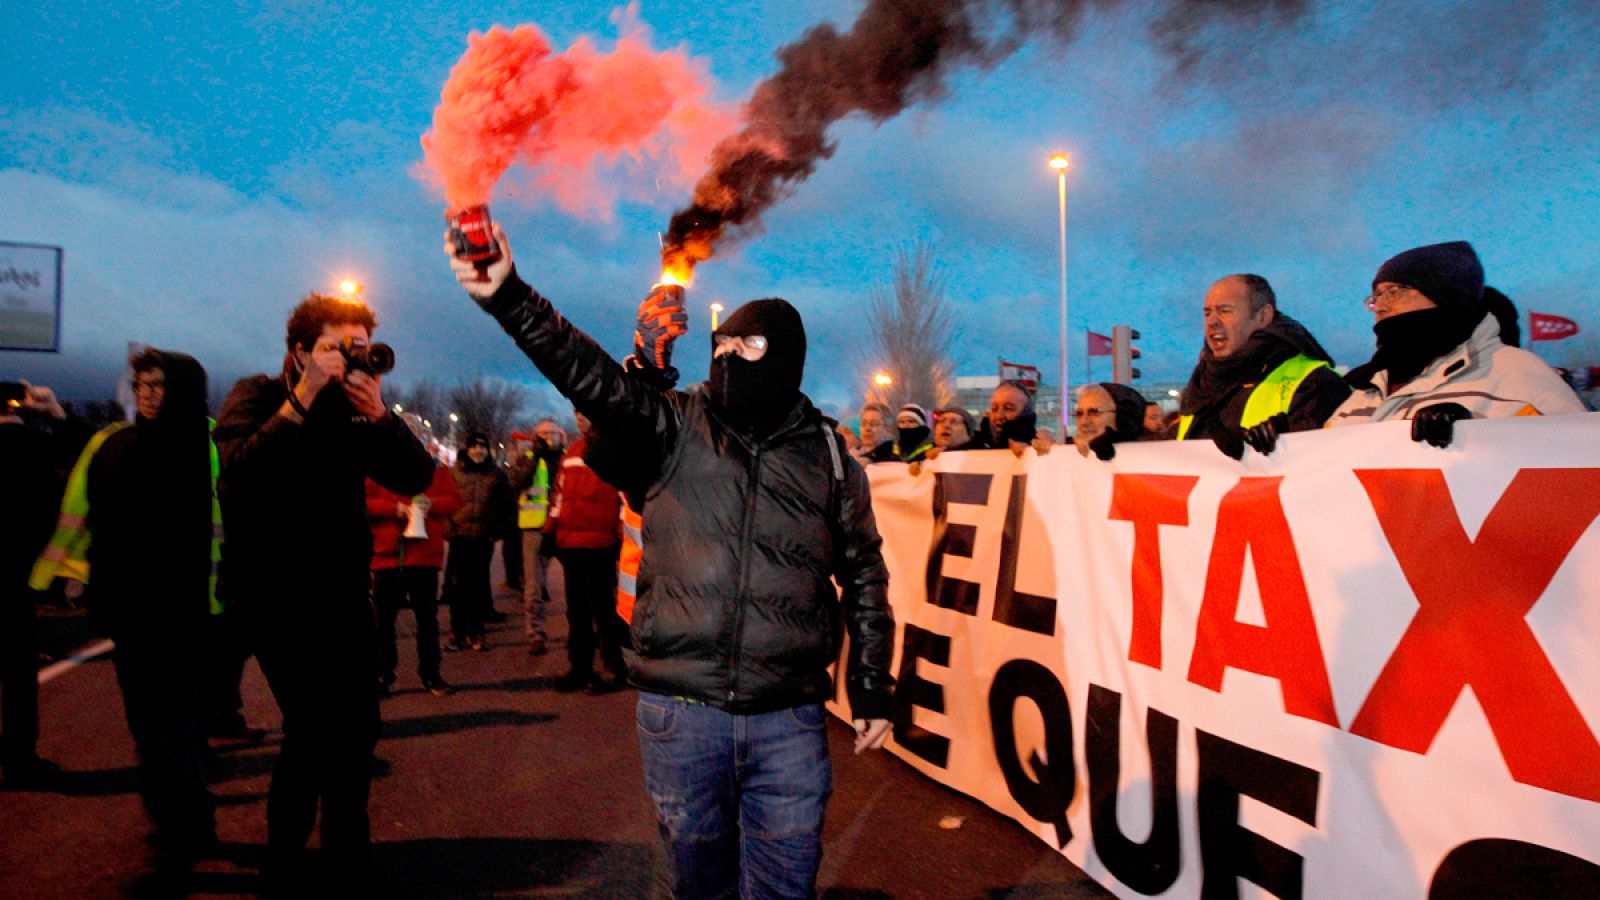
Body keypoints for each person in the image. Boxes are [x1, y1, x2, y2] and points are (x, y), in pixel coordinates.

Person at [448, 225, 895, 900]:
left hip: (789, 719)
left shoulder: (830, 456)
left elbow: (864, 574)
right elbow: (586, 377)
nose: (725, 355)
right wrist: (507, 295)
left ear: (787, 357)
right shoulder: (677, 423)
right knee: (694, 884)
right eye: (720, 345)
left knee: (785, 886)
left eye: (745, 345)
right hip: (683, 713)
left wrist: (871, 685)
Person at [214, 292, 433, 893]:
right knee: (312, 732)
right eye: (338, 348)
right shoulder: (256, 395)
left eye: (360, 349)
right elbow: (239, 479)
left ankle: (347, 865)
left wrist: (381, 416)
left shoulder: (355, 410)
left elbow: (416, 476)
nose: (351, 360)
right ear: (299, 352)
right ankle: (283, 866)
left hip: (342, 596)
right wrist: (303, 398)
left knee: (357, 735)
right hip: (273, 597)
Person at [56, 350, 221, 878]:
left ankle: (179, 830)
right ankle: (186, 822)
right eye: (143, 383)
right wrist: (73, 575)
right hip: (129, 611)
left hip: (190, 610)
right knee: (150, 726)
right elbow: (80, 514)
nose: (149, 393)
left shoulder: (213, 446)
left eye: (162, 385)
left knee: (174, 725)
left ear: (187, 391)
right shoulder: (112, 444)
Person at [1326, 241, 1585, 442]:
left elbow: (1576, 461)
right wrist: (1289, 449)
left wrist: (1477, 434)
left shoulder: (1517, 374)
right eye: (1375, 297)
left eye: (1394, 293)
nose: (1379, 307)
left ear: (1443, 295)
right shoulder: (1365, 390)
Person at [1177, 273, 1350, 457]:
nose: (1212, 322)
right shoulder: (1200, 384)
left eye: (1225, 311)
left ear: (1263, 316)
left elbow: (1332, 465)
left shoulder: (1315, 382)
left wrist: (1288, 438)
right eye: (1207, 313)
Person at [2, 381, 75, 788]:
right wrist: (54, 410)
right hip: (17, 575)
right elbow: (79, 457)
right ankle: (18, 761)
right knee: (16, 677)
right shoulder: (30, 445)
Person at [545, 410, 627, 693]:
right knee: (577, 612)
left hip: (600, 544)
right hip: (572, 543)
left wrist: (620, 535)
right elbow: (560, 493)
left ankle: (613, 667)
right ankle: (580, 667)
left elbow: (623, 496)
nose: (580, 418)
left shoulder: (614, 448)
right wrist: (550, 528)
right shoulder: (573, 451)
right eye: (576, 413)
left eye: (585, 413)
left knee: (603, 611)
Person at [368, 455, 462, 697]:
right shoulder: (375, 466)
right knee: (382, 622)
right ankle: (383, 674)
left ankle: (431, 675)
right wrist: (395, 509)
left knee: (427, 621)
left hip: (423, 555)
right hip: (387, 555)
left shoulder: (438, 470)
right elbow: (362, 500)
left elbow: (454, 501)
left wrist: (431, 504)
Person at [443, 433, 512, 653]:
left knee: (479, 585)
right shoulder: (454, 473)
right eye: (474, 446)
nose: (478, 450)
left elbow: (507, 506)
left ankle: (477, 631)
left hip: (483, 537)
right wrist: (448, 529)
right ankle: (457, 632)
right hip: (459, 536)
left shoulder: (497, 475)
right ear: (467, 449)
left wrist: (497, 532)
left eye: (482, 446)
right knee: (457, 586)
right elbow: (444, 500)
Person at [507, 419, 565, 656]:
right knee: (533, 587)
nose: (548, 437)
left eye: (552, 432)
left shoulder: (567, 457)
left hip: (563, 527)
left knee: (576, 583)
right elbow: (516, 482)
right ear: (534, 436)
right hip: (534, 528)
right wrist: (535, 457)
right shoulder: (527, 457)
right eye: (543, 433)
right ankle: (536, 633)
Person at [1072, 382, 1152, 460]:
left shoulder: (1154, 449)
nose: (1084, 422)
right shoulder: (1064, 453)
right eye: (1079, 413)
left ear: (1121, 416)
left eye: (1094, 412)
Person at [976, 379, 1054, 457]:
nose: (999, 416)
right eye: (994, 408)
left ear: (1026, 414)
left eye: (1009, 408)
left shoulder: (1042, 449)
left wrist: (1031, 452)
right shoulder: (976, 444)